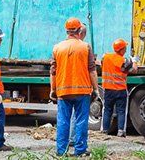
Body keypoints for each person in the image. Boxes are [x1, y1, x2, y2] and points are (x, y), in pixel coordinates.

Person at [50, 18, 100, 157]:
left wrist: (53, 89)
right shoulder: (85, 47)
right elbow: (92, 70)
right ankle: (80, 150)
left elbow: (53, 71)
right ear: (79, 30)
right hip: (82, 91)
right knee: (81, 121)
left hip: (63, 91)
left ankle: (61, 151)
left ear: (67, 31)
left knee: (63, 121)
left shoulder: (57, 47)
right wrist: (96, 89)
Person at [101, 39, 138, 137]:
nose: (126, 50)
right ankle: (121, 131)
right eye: (125, 48)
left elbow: (101, 61)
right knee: (121, 111)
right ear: (121, 49)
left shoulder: (106, 57)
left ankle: (104, 130)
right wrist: (134, 61)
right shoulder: (123, 61)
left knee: (107, 110)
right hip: (120, 90)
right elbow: (134, 70)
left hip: (108, 89)